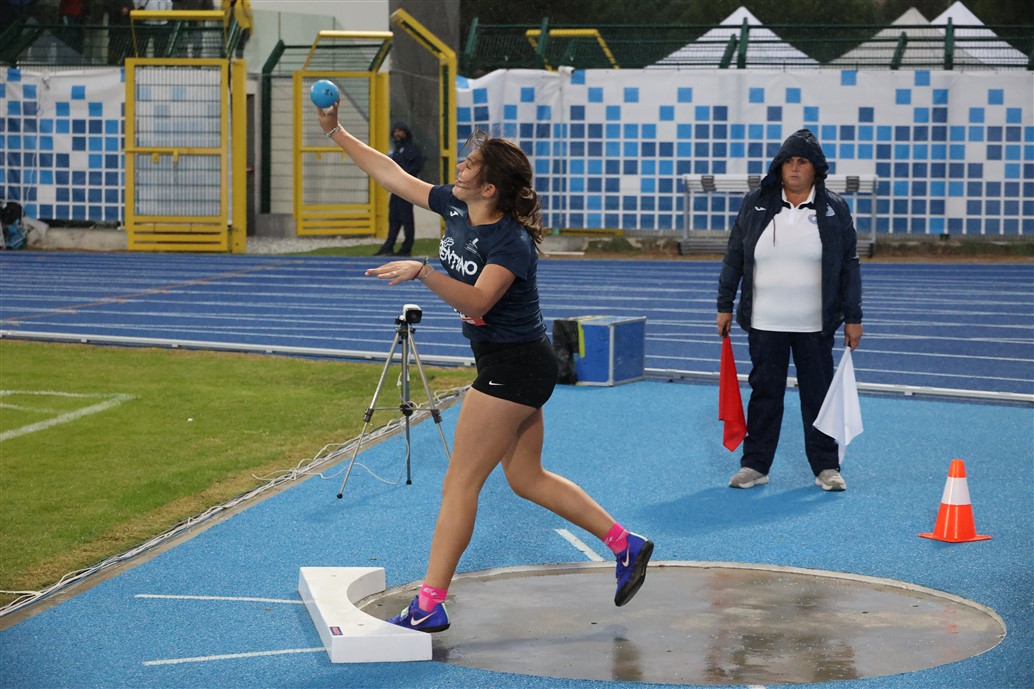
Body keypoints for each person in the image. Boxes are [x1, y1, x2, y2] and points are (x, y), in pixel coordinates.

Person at [316, 103, 654, 632]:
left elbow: (477, 301)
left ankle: (429, 605)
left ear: (490, 188)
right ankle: (624, 543)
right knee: (526, 478)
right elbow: (392, 175)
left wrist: (423, 271)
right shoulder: (455, 205)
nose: (461, 166)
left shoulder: (509, 242)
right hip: (517, 364)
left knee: (459, 483)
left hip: (514, 368)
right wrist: (336, 131)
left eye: (471, 163)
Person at [716, 128, 863, 492]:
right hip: (765, 322)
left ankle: (826, 466)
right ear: (779, 167)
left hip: (815, 324)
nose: (795, 168)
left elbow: (849, 266)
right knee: (765, 395)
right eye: (789, 162)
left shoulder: (834, 209)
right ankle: (755, 465)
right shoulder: (755, 204)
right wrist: (724, 305)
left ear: (816, 169)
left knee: (818, 397)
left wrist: (854, 317)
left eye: (803, 162)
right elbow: (734, 257)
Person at [373, 122, 424, 257]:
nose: (397, 134)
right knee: (394, 217)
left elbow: (417, 166)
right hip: (396, 188)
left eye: (400, 131)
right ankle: (388, 246)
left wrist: (404, 176)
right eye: (395, 131)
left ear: (405, 132)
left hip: (407, 188)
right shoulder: (396, 150)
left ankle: (406, 248)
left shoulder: (412, 149)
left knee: (406, 218)